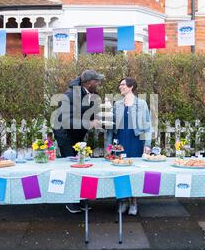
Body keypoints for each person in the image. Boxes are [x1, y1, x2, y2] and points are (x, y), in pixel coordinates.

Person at [53, 70, 104, 214]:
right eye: (97, 81)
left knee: (81, 166)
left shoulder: (89, 94)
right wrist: (89, 123)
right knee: (71, 168)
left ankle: (80, 199)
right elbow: (66, 120)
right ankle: (71, 201)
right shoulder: (70, 95)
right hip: (65, 136)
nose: (99, 83)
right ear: (88, 83)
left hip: (77, 136)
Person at [106, 77, 152, 215]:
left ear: (131, 87)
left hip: (135, 141)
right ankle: (122, 201)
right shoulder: (117, 104)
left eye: (123, 85)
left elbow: (148, 125)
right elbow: (110, 127)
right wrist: (108, 146)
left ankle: (133, 202)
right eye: (120, 85)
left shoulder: (142, 104)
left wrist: (147, 144)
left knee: (134, 171)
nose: (120, 87)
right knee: (120, 172)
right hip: (119, 141)